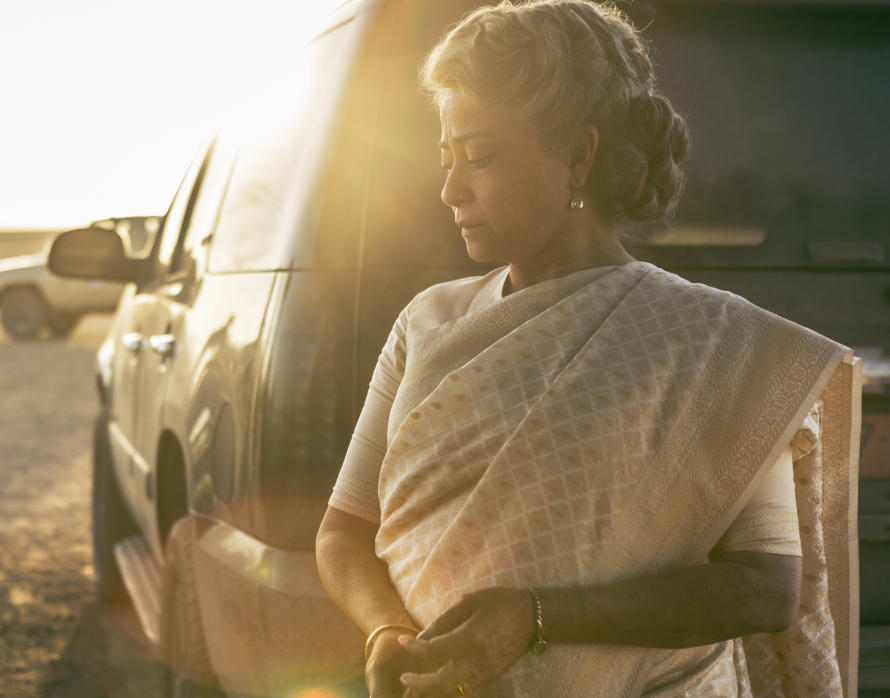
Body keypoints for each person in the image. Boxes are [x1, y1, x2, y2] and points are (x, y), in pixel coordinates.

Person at [314, 2, 859, 696]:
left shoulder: (710, 345)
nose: (451, 189)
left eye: (479, 156)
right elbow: (342, 533)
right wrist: (385, 629)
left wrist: (539, 618)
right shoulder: (427, 324)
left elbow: (762, 587)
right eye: (446, 157)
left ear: (578, 156)